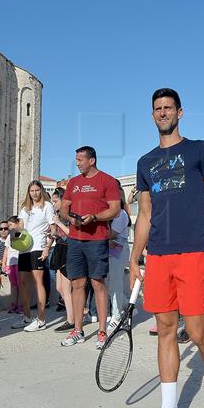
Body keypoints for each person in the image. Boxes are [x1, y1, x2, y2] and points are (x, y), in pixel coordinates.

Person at [128, 88, 204, 408]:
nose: (162, 113)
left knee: (198, 330)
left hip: (192, 253)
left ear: (180, 112)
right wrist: (134, 256)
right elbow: (144, 214)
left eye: (168, 108)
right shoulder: (145, 163)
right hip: (158, 255)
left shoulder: (199, 150)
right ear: (152, 114)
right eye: (157, 109)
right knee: (165, 329)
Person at [59, 147, 120, 349]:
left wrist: (94, 217)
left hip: (97, 239)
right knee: (77, 283)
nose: (77, 163)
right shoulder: (74, 183)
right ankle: (78, 330)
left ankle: (102, 332)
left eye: (80, 159)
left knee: (98, 284)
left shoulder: (107, 180)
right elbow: (64, 208)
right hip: (75, 239)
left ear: (91, 160)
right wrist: (71, 219)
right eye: (76, 159)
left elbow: (114, 209)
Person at [15, 180, 55, 332]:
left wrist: (47, 248)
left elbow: (53, 229)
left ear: (41, 190)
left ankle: (41, 319)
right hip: (24, 248)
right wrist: (13, 228)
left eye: (37, 190)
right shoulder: (25, 208)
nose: (34, 193)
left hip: (38, 247)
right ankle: (26, 317)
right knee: (23, 283)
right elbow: (21, 227)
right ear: (28, 192)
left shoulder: (47, 206)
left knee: (39, 283)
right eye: (32, 191)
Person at [49, 189, 74, 332]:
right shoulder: (58, 215)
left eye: (55, 201)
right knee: (59, 288)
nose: (53, 204)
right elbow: (59, 234)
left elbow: (71, 233)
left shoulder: (68, 214)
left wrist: (58, 223)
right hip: (59, 248)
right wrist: (52, 233)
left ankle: (70, 319)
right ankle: (75, 312)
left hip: (68, 250)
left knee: (66, 288)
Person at [107, 183, 131, 331]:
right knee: (109, 284)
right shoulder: (111, 213)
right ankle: (125, 305)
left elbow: (112, 234)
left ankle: (117, 315)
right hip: (109, 248)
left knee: (115, 283)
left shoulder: (121, 213)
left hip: (118, 247)